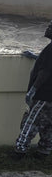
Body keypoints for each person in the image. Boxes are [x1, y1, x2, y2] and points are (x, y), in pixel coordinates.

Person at [15, 22, 52, 157]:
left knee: (30, 122)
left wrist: (33, 90)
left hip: (44, 95)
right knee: (48, 125)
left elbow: (46, 71)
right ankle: (44, 151)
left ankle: (20, 150)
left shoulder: (50, 49)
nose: (48, 28)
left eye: (51, 27)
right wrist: (36, 57)